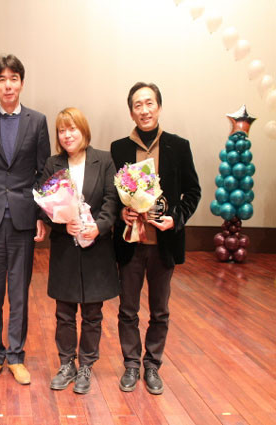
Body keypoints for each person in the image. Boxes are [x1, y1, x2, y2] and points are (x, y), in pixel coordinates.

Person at [111, 82, 201, 395]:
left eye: (149, 103)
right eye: (138, 105)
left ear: (159, 107)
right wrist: (122, 212)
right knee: (128, 309)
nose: (144, 110)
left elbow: (193, 191)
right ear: (131, 112)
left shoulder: (178, 146)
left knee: (160, 311)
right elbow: (113, 194)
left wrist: (177, 218)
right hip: (131, 243)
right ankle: (130, 364)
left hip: (163, 244)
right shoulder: (119, 148)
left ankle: (152, 365)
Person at [0, 54, 51, 385]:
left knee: (19, 293)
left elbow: (44, 173)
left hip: (23, 218)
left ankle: (15, 356)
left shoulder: (37, 121)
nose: (8, 85)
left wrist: (42, 215)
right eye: (2, 79)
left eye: (13, 78)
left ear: (21, 83)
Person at [41, 107, 120, 394]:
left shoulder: (104, 160)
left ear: (83, 130)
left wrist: (100, 226)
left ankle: (86, 365)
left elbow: (112, 200)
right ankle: (66, 364)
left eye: (72, 128)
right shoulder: (53, 164)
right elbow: (45, 204)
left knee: (92, 313)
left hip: (96, 247)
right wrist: (63, 223)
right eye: (62, 130)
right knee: (64, 312)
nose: (67, 135)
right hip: (65, 248)